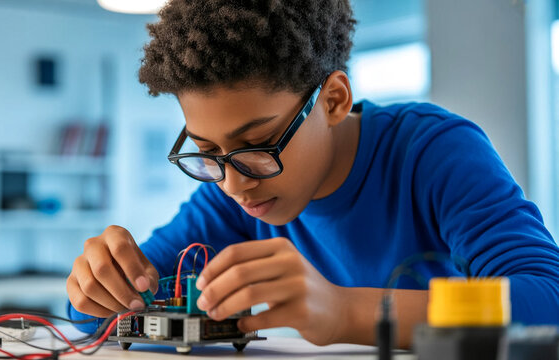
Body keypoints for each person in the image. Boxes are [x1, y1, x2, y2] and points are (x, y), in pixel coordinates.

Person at [66, 0, 559, 348]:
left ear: (334, 101)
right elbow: (94, 316)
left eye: (258, 145)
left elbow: (547, 299)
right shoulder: (229, 192)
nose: (236, 184)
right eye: (206, 151)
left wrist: (345, 312)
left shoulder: (433, 153)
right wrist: (96, 284)